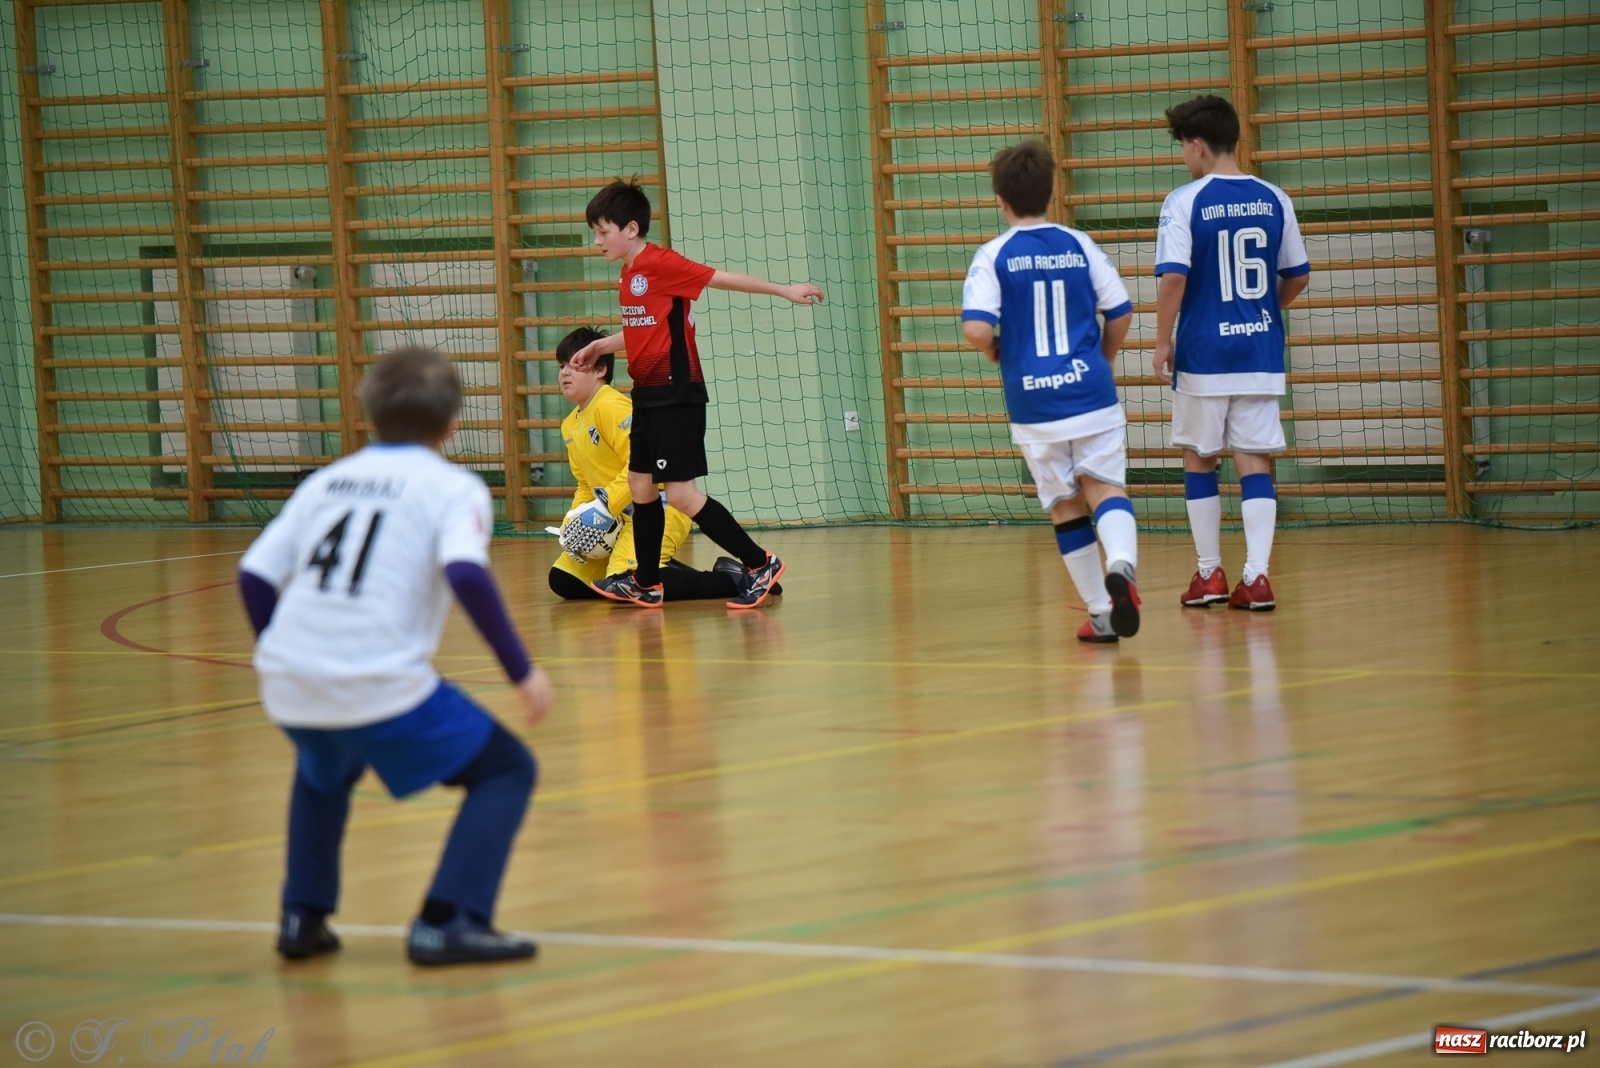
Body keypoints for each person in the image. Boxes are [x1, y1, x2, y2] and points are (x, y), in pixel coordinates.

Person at [237, 345, 555, 967]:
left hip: (288, 678)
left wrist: (284, 652)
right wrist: (522, 671)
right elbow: (465, 571)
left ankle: (302, 916)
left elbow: (253, 577)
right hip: (376, 678)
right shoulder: (452, 486)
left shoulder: (325, 481)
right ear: (453, 421)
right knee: (506, 769)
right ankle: (449, 920)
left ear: (370, 415)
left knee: (324, 769)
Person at [566, 179, 823, 609]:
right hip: (648, 393)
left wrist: (784, 291)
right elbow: (642, 332)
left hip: (676, 393)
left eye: (602, 231)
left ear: (631, 229)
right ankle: (647, 583)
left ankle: (760, 564)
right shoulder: (629, 274)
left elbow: (722, 279)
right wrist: (599, 347)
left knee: (682, 493)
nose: (597, 241)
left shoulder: (660, 263)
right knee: (640, 485)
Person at [960, 141, 1142, 644]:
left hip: (1034, 402)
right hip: (1090, 392)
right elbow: (1121, 311)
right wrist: (1102, 357)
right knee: (1105, 488)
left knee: (1065, 505)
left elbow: (976, 328)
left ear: (1001, 198)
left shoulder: (993, 255)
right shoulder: (1079, 243)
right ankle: (1122, 563)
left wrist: (999, 350)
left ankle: (1102, 611)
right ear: (1051, 191)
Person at [1153, 94, 1311, 611]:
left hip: (1204, 350)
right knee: (1254, 461)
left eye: (1182, 147)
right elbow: (1298, 276)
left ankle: (1209, 575)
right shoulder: (1275, 198)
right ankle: (1257, 578)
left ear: (1197, 146)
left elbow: (1174, 276)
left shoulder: (1184, 201)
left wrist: (1161, 339)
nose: (1183, 156)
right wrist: (1265, 309)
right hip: (1260, 349)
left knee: (1199, 459)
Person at [548, 326, 770, 603]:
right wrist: (576, 519)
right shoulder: (570, 424)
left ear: (600, 370)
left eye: (575, 365)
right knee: (564, 580)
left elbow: (641, 464)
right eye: (561, 366)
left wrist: (604, 507)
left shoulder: (610, 405)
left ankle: (732, 580)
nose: (564, 373)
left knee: (627, 580)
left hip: (655, 508)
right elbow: (585, 484)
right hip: (613, 518)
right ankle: (656, 572)